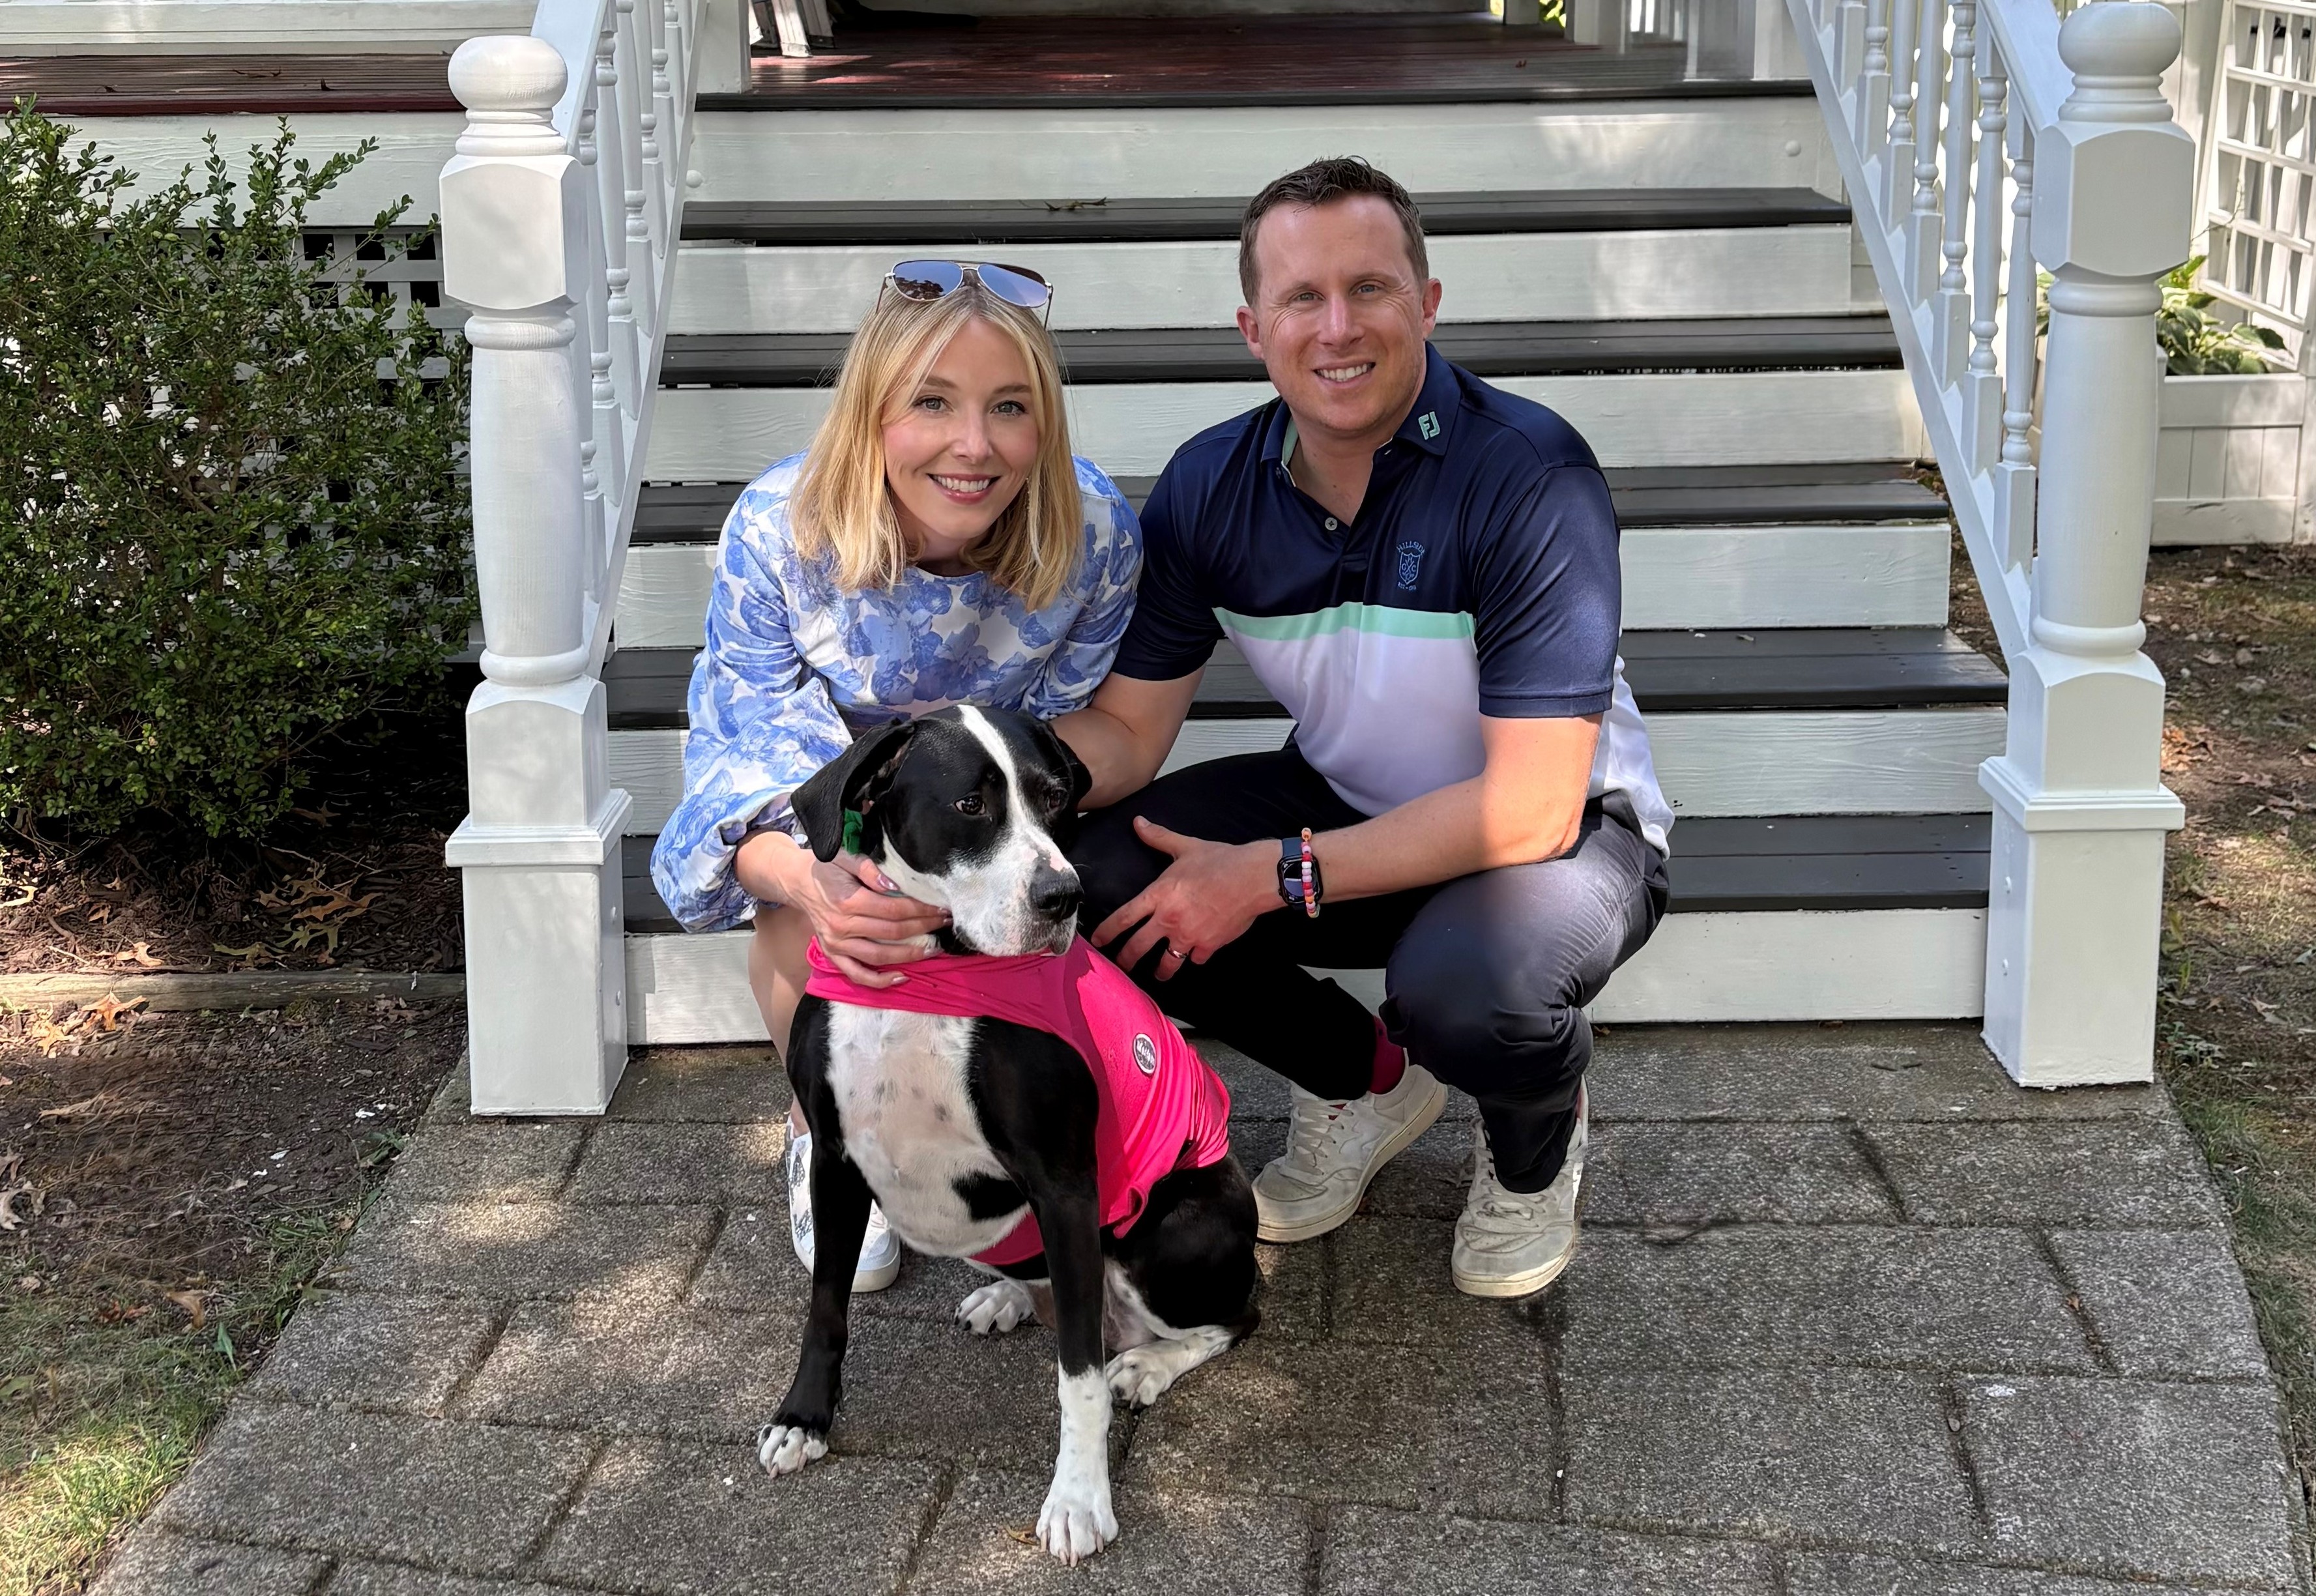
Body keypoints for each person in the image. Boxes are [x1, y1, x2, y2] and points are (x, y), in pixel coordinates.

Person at [1054, 158, 1673, 1299]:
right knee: (1092, 872)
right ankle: (1367, 1079)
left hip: (1565, 834)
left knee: (1468, 994)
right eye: (1301, 298)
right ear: (1252, 327)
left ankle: (1535, 1141)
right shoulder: (1206, 486)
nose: (1336, 328)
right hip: (1349, 802)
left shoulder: (1527, 475)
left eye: (1370, 289)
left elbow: (1529, 802)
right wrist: (989, 777)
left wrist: (1273, 874)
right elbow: (1130, 736)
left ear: (1426, 302)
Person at [651, 260, 1141, 1292]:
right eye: (932, 402)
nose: (974, 445)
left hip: (983, 798)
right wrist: (818, 881)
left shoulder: (1089, 535)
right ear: (873, 412)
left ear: (1043, 425)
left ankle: (990, 1130)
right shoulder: (782, 530)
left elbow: (1064, 728)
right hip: (826, 794)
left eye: (1009, 407)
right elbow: (751, 753)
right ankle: (822, 1126)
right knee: (811, 912)